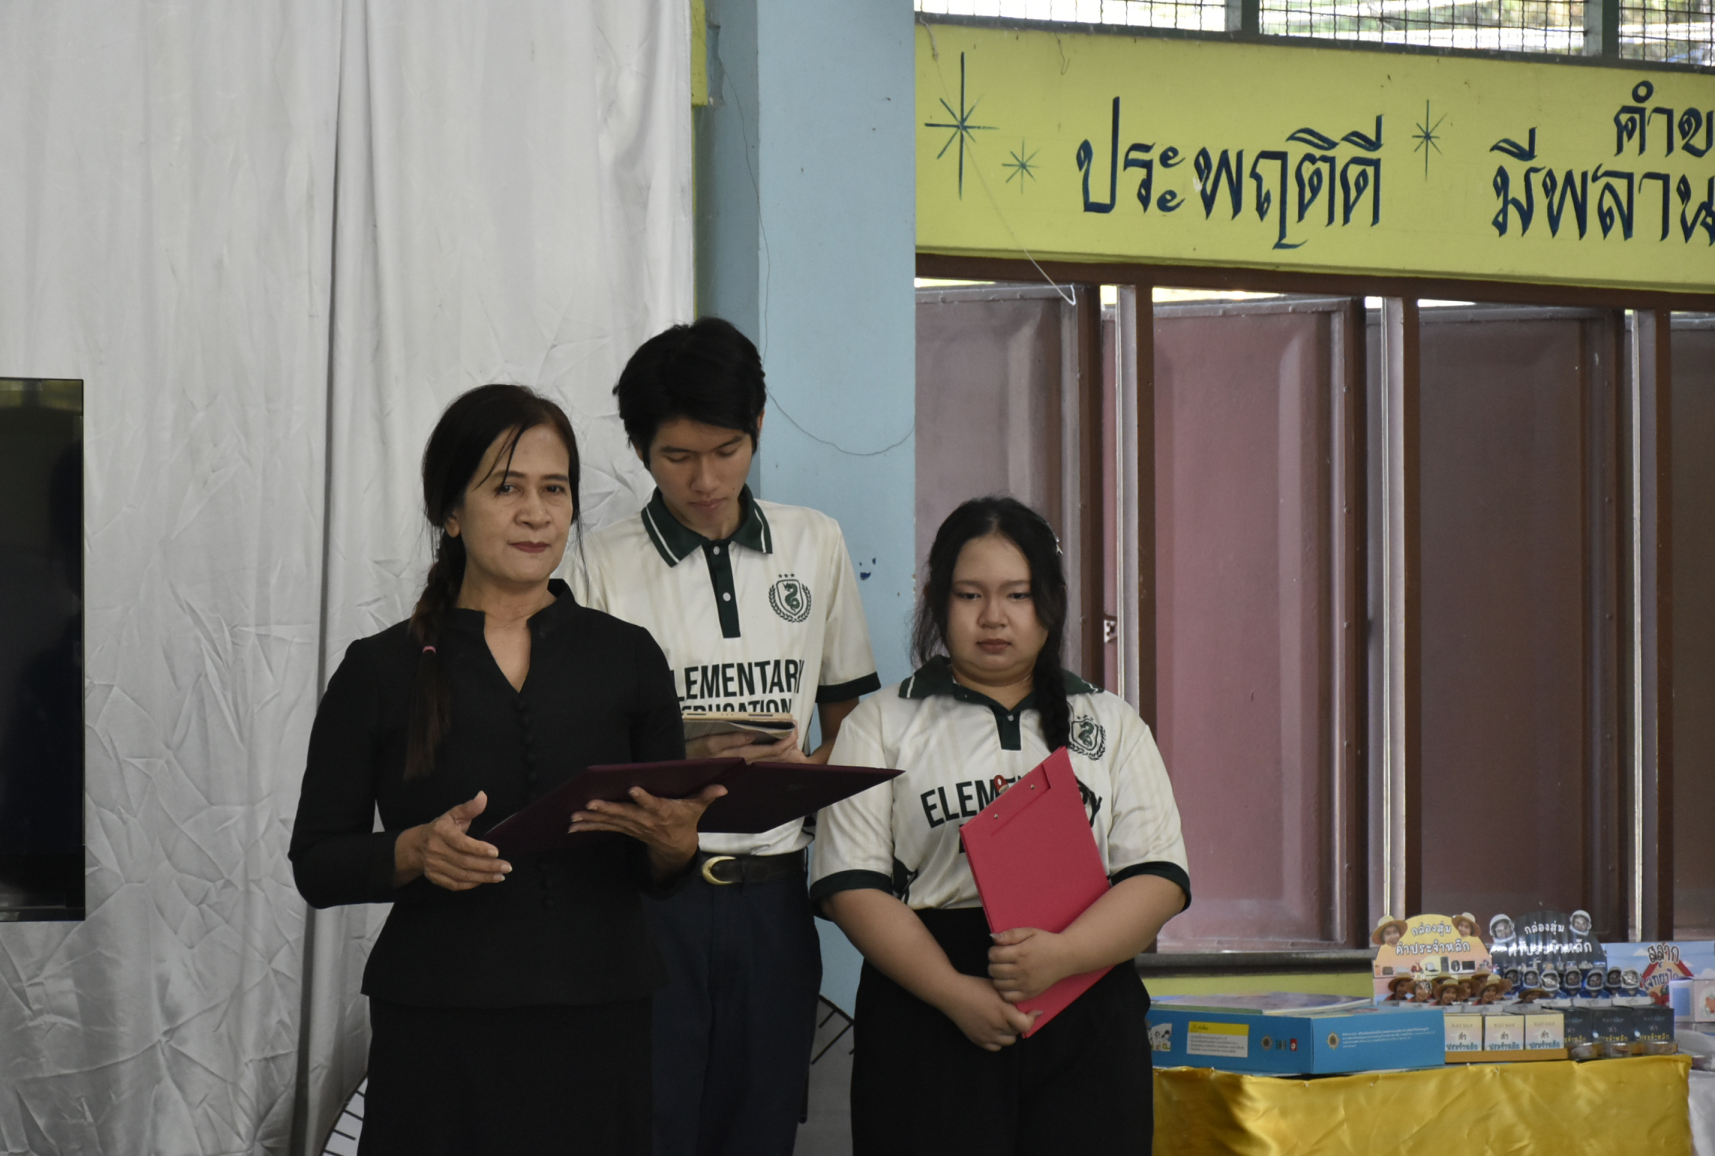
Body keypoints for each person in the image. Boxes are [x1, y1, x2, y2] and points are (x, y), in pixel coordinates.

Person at [289, 385, 723, 1155]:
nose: (536, 513)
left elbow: (656, 871)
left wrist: (674, 843)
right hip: (439, 1023)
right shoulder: (379, 669)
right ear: (451, 512)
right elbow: (316, 862)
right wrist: (412, 851)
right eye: (506, 488)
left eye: (554, 490)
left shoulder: (627, 656)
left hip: (602, 1016)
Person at [566, 317, 880, 1156]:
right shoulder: (597, 563)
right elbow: (577, 753)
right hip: (646, 902)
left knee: (760, 1127)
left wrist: (805, 778)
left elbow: (851, 720)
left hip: (773, 899)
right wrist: (678, 751)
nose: (705, 480)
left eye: (726, 450)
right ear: (639, 449)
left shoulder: (814, 543)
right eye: (676, 456)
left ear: (758, 426)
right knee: (646, 1125)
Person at [810, 497, 1189, 1156]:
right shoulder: (881, 723)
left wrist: (1064, 956)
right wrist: (954, 994)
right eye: (969, 595)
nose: (993, 617)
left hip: (1086, 999)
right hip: (928, 1006)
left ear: (1051, 601)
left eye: (1017, 594)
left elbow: (1157, 879)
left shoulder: (1112, 722)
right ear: (936, 600)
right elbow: (851, 886)